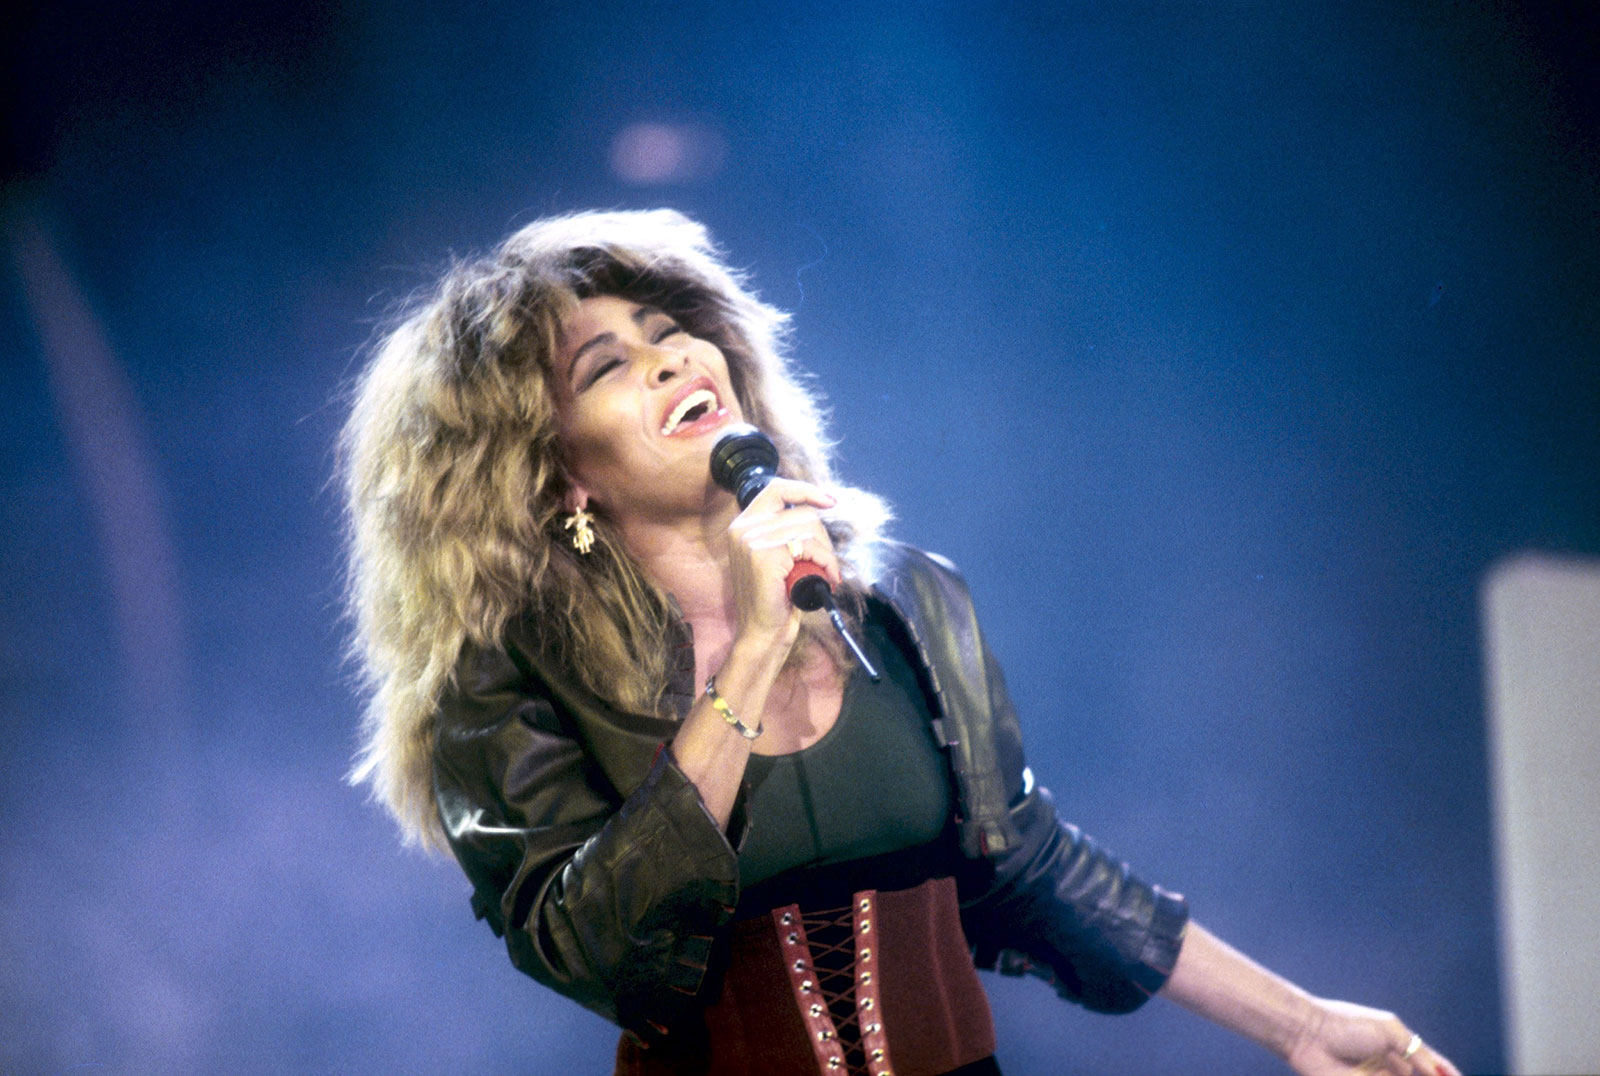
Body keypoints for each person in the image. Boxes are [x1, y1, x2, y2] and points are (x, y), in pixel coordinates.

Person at [340, 208, 1459, 1076]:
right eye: (605, 365)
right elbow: (606, 955)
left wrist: (1304, 1025)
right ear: (558, 474)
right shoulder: (508, 682)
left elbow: (1031, 868)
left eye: (671, 331)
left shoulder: (905, 604)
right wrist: (749, 659)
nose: (671, 359)